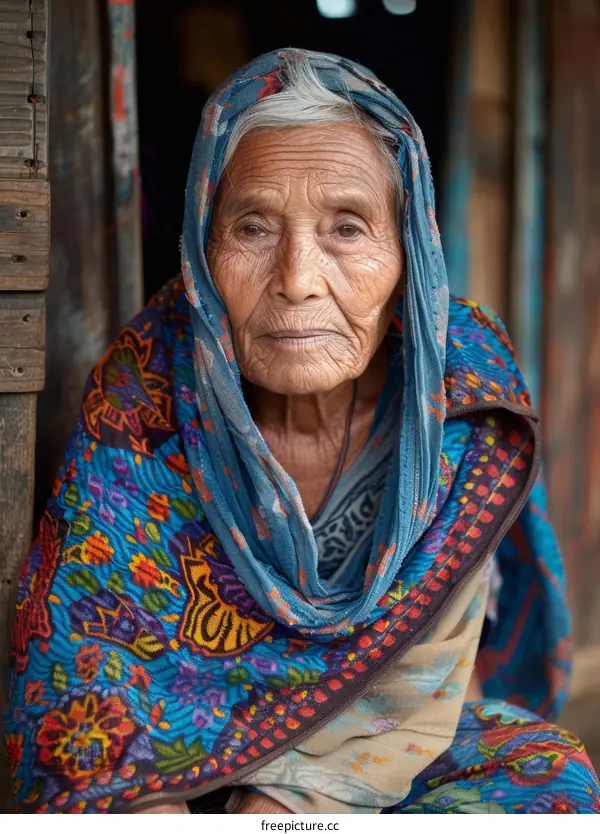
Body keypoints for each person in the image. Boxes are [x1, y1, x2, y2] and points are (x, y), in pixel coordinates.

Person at [6, 49, 599, 815]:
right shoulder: (146, 383)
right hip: (171, 752)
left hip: (378, 743)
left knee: (551, 780)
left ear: (408, 253)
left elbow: (426, 671)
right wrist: (150, 804)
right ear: (203, 250)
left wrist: (287, 806)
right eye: (253, 227)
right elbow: (86, 659)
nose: (296, 279)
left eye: (347, 228)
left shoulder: (460, 389)